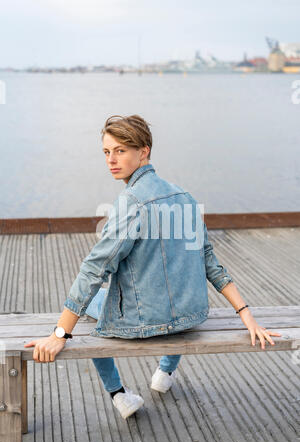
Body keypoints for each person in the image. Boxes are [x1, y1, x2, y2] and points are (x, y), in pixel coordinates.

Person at [25, 114, 281, 420]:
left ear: (144, 151)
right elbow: (209, 262)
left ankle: (119, 394)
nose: (111, 160)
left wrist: (59, 335)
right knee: (171, 280)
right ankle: (165, 372)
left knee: (89, 303)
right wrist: (246, 315)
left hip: (143, 322)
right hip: (189, 317)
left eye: (120, 150)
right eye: (106, 152)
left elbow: (95, 268)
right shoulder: (185, 198)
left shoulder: (130, 202)